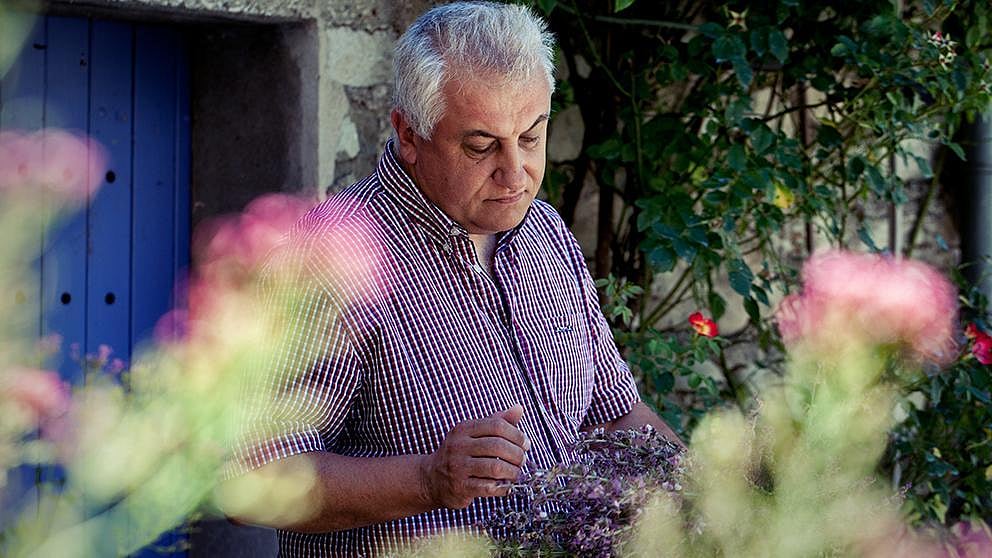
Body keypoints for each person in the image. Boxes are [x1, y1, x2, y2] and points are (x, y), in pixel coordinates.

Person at [227, 2, 683, 556]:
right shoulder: (334, 259)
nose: (516, 173)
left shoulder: (543, 229)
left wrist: (709, 490)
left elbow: (615, 413)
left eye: (532, 137)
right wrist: (428, 480)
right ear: (408, 133)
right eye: (481, 145)